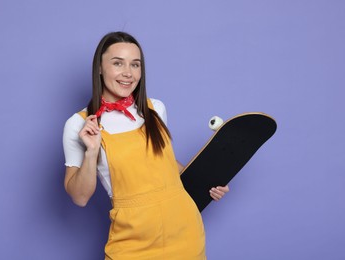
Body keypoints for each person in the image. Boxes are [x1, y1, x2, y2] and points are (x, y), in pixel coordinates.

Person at [63, 31, 229, 259]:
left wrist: (208, 183)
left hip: (185, 234)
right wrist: (92, 153)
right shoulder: (78, 125)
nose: (128, 73)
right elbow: (79, 197)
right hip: (132, 242)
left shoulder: (155, 109)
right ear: (99, 68)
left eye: (135, 64)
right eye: (117, 63)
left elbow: (166, 166)